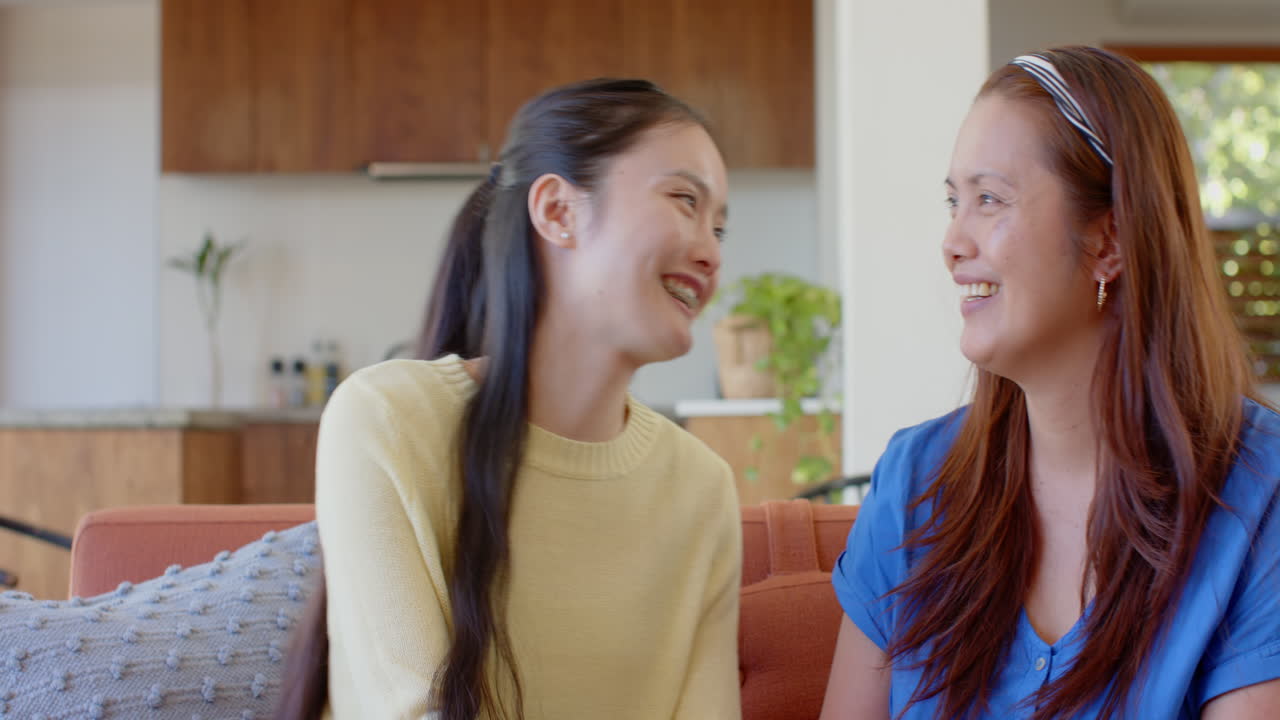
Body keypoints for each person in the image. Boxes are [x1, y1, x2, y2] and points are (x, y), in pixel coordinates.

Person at [819, 46, 1280, 720]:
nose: (952, 241)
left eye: (989, 199)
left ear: (1109, 241)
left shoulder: (1261, 493)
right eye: (953, 201)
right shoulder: (913, 482)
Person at [275, 78, 741, 720]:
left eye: (720, 228)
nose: (712, 253)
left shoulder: (703, 490)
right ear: (558, 211)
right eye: (685, 201)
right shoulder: (387, 419)